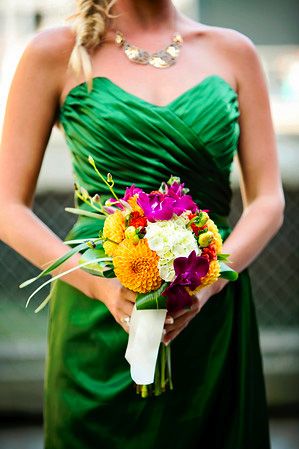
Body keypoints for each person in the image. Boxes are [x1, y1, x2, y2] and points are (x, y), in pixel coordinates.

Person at [0, 0, 285, 448]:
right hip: (96, 312)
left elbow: (268, 199)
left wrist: (208, 285)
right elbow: (6, 207)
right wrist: (100, 287)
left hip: (211, 312)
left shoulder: (235, 52)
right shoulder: (54, 52)